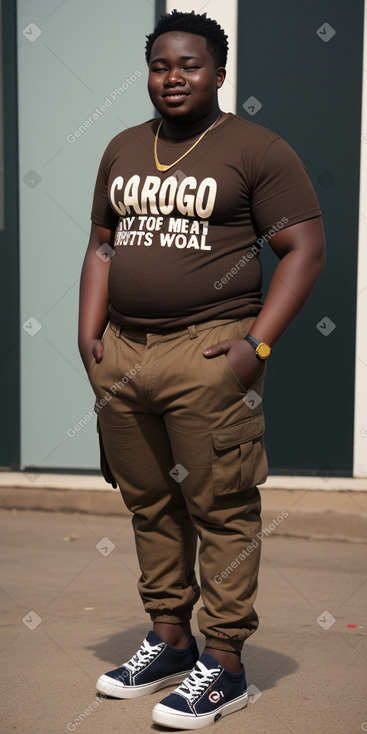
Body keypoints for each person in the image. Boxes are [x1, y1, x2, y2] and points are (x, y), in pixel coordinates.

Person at [78, 9, 325, 730]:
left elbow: (304, 250)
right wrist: (87, 336)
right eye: (160, 65)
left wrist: (257, 346)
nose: (172, 77)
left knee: (220, 509)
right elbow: (101, 244)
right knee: (148, 502)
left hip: (209, 352)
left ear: (218, 72)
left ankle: (224, 665)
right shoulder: (124, 147)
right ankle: (170, 638)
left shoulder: (256, 148)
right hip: (123, 353)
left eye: (188, 65)